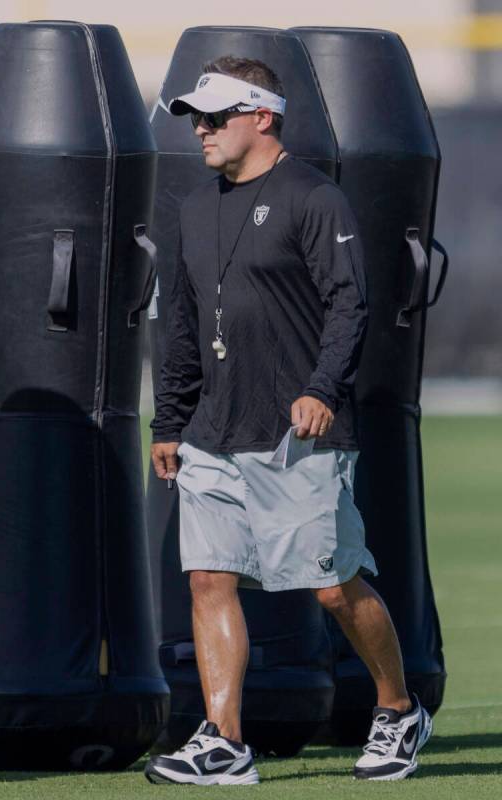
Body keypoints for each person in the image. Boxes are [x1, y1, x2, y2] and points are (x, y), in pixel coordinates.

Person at [144, 58, 431, 785]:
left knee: (333, 587)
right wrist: (169, 421)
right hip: (212, 430)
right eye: (195, 120)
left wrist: (321, 388)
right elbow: (181, 323)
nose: (201, 131)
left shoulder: (313, 196)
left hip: (297, 434)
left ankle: (398, 708)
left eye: (214, 117)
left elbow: (348, 305)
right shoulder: (193, 208)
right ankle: (224, 740)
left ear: (262, 117)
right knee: (209, 581)